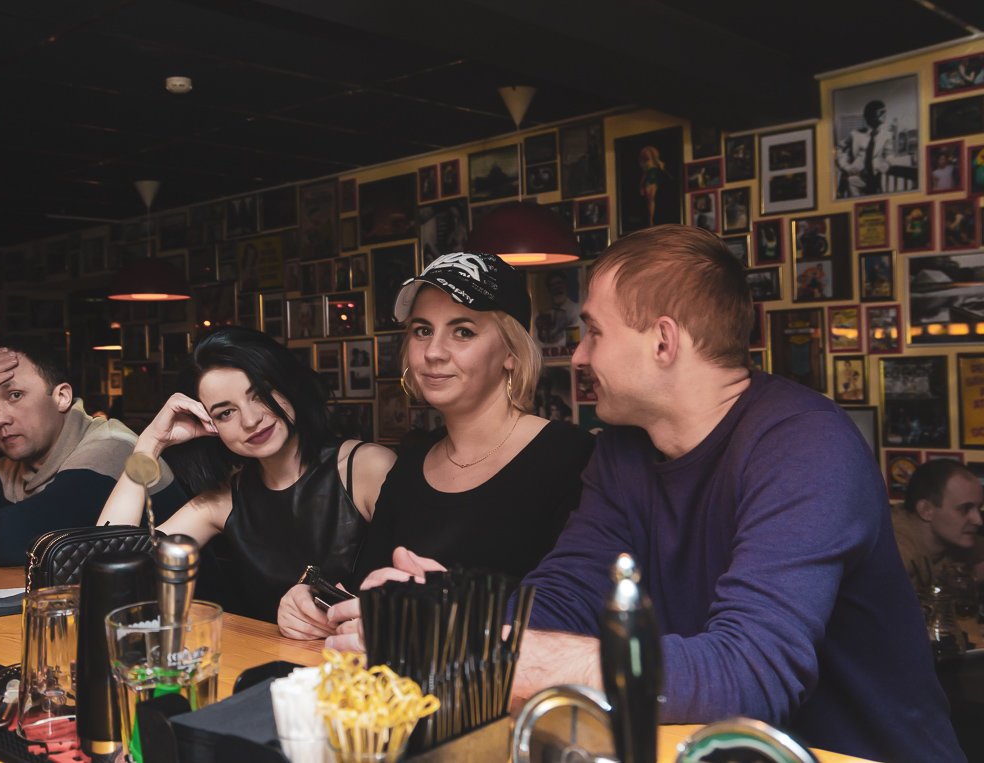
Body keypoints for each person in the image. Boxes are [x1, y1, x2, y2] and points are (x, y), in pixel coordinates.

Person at [362, 227, 964, 762]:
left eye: (594, 331)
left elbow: (752, 671)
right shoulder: (623, 450)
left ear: (663, 341)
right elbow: (567, 597)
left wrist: (504, 657)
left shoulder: (806, 445)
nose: (578, 355)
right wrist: (446, 622)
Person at [325, 252, 594, 648]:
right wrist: (314, 601)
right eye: (422, 330)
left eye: (463, 332)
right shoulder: (409, 467)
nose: (433, 352)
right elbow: (366, 593)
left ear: (511, 353)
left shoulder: (572, 458)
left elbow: (573, 613)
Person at [96, 326, 395, 628]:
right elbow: (109, 571)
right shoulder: (223, 501)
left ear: (286, 383)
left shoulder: (367, 468)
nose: (251, 420)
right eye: (226, 413)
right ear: (209, 423)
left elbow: (416, 589)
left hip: (370, 655)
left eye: (260, 394)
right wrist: (149, 444)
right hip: (271, 657)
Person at [0, 340, 183, 566]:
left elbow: (7, 539)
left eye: (15, 395)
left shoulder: (112, 448)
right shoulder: (15, 468)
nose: (0, 419)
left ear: (62, 397)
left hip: (183, 614)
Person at [893, 459, 984, 593]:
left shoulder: (955, 539)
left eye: (978, 508)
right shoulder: (893, 553)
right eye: (965, 509)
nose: (978, 520)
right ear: (926, 510)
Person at [836, 99, 893, 197]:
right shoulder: (854, 134)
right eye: (881, 112)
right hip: (855, 180)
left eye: (885, 112)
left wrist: (885, 165)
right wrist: (845, 166)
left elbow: (889, 155)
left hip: (875, 180)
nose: (885, 115)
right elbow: (839, 149)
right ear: (871, 115)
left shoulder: (886, 136)